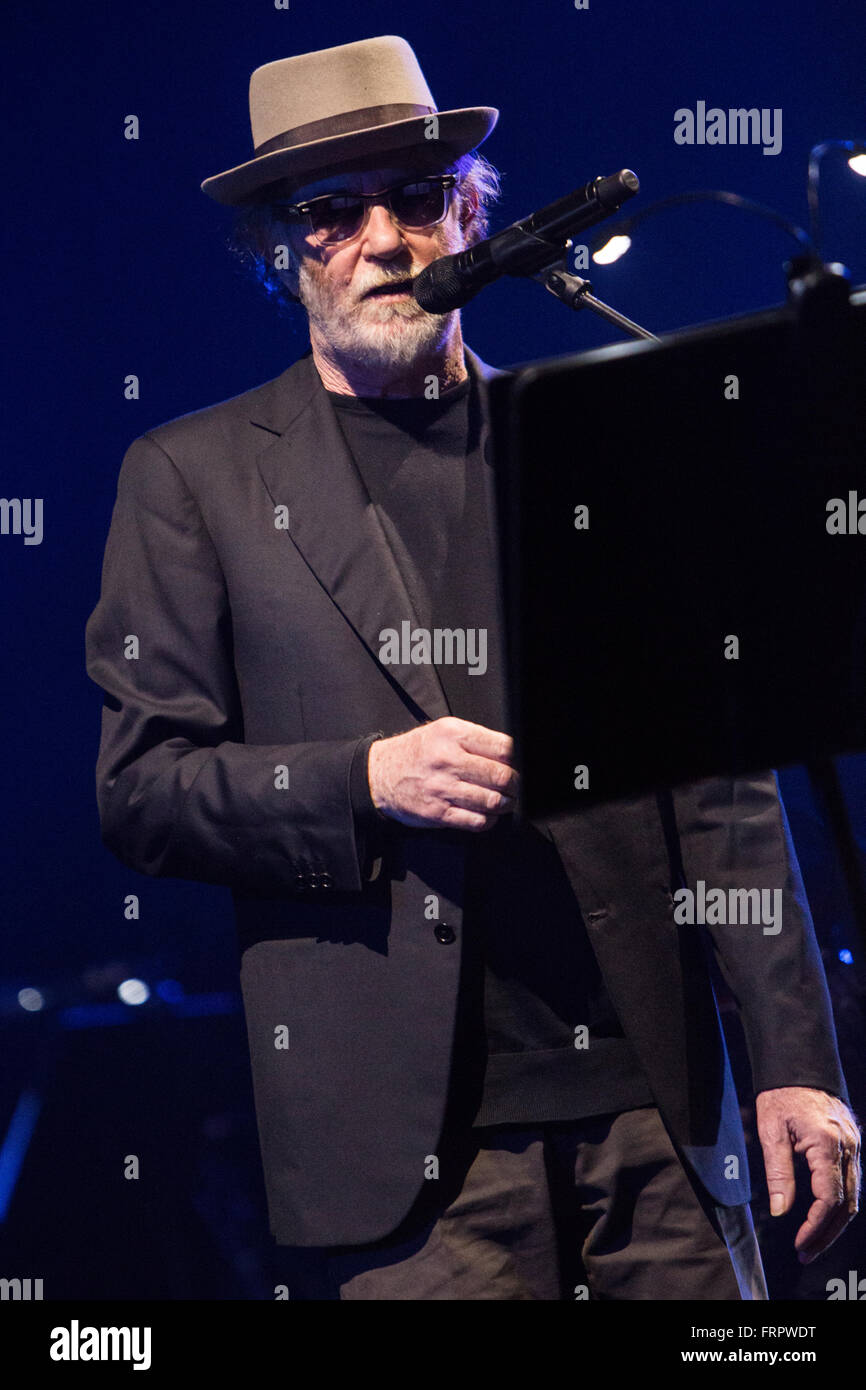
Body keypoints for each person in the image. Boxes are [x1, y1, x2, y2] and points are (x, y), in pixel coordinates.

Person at [85, 35, 860, 1300]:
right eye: (335, 213)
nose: (388, 237)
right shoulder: (192, 478)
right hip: (411, 1158)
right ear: (287, 255)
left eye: (418, 198)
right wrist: (362, 777)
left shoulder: (598, 441)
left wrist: (795, 1058)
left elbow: (720, 785)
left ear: (470, 213)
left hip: (658, 1124)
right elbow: (142, 789)